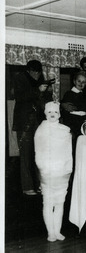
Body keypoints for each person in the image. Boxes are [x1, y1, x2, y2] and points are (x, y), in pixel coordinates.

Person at [13, 59, 53, 195]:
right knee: (25, 155)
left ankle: (40, 184)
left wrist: (47, 91)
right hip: (24, 123)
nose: (37, 75)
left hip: (38, 122)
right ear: (28, 71)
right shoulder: (20, 78)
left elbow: (45, 102)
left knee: (40, 154)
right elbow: (19, 97)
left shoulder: (41, 79)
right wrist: (38, 90)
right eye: (34, 72)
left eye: (39, 72)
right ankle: (27, 187)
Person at [34, 101, 72, 241]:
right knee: (48, 202)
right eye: (49, 112)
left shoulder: (65, 130)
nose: (52, 114)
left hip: (62, 171)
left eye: (55, 112)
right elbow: (38, 151)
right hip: (48, 172)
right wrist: (42, 169)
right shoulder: (41, 130)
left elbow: (68, 152)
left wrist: (68, 169)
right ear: (45, 113)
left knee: (60, 202)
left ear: (59, 114)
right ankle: (50, 232)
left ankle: (57, 231)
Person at [61, 71, 86, 143]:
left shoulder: (85, 95)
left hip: (83, 123)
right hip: (73, 123)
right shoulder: (69, 94)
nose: (81, 83)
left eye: (83, 82)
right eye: (79, 81)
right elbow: (65, 113)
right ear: (74, 81)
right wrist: (69, 128)